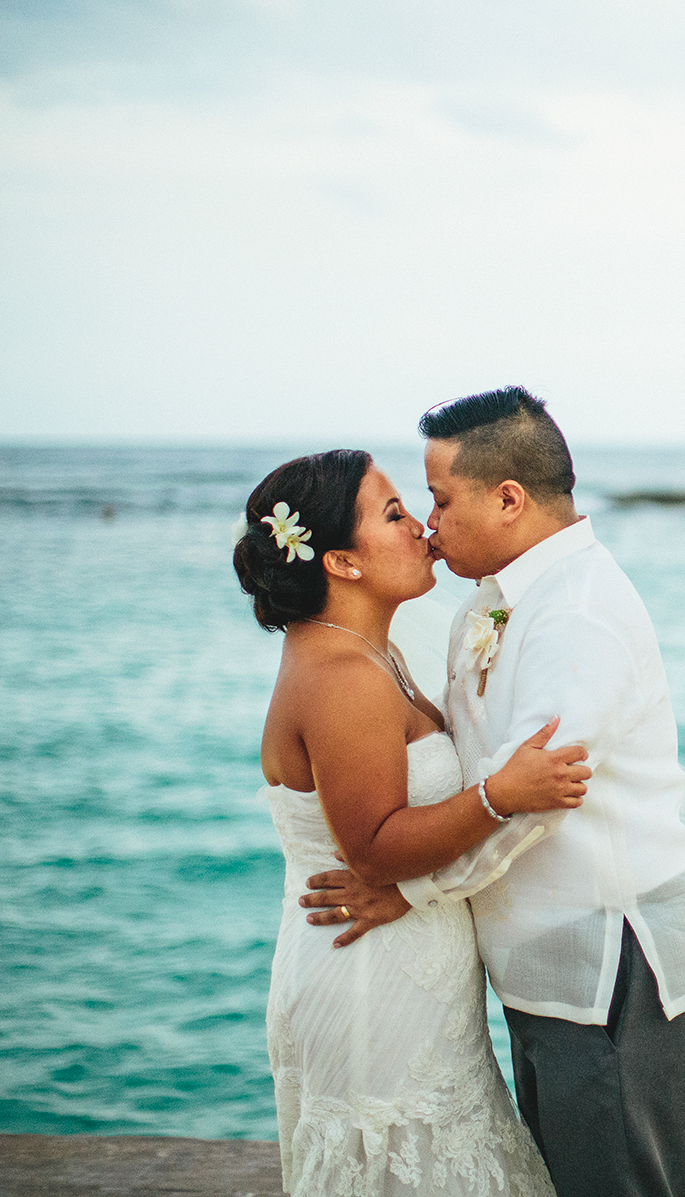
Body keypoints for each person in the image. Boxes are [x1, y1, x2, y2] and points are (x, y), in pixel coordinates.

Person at [301, 390, 685, 1197]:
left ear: (508, 499)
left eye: (440, 499)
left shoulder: (579, 616)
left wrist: (408, 888)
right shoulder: (488, 605)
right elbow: (483, 779)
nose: (429, 524)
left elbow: (530, 807)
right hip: (548, 966)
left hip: (614, 966)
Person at [233, 447, 591, 1197]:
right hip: (369, 978)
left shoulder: (369, 652)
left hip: (401, 964)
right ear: (341, 561)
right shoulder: (341, 678)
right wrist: (501, 793)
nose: (424, 527)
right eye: (394, 513)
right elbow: (372, 848)